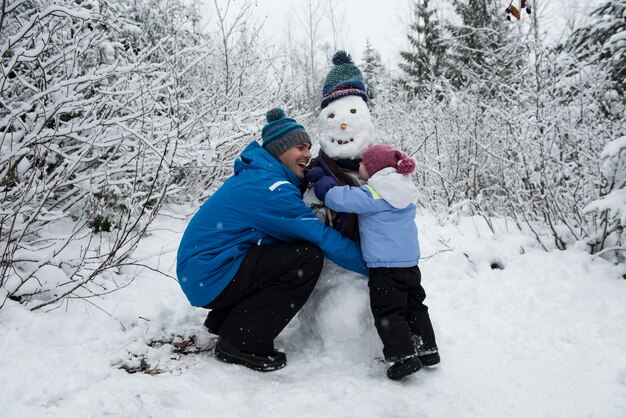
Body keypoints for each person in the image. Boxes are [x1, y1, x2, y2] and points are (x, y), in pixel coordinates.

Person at [176, 108, 367, 373]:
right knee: (306, 257)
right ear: (279, 149)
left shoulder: (260, 176)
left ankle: (224, 320)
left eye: (309, 148)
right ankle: (242, 341)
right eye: (300, 147)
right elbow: (319, 236)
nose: (307, 154)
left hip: (203, 272)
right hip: (210, 275)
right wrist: (375, 266)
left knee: (280, 250)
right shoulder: (271, 189)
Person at [307, 144, 440, 380]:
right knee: (415, 306)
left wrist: (322, 182)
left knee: (389, 311)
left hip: (385, 267)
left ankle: (403, 357)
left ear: (374, 169)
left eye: (362, 164)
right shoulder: (404, 191)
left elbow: (340, 199)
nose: (358, 167)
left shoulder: (374, 194)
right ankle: (428, 350)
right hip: (409, 264)